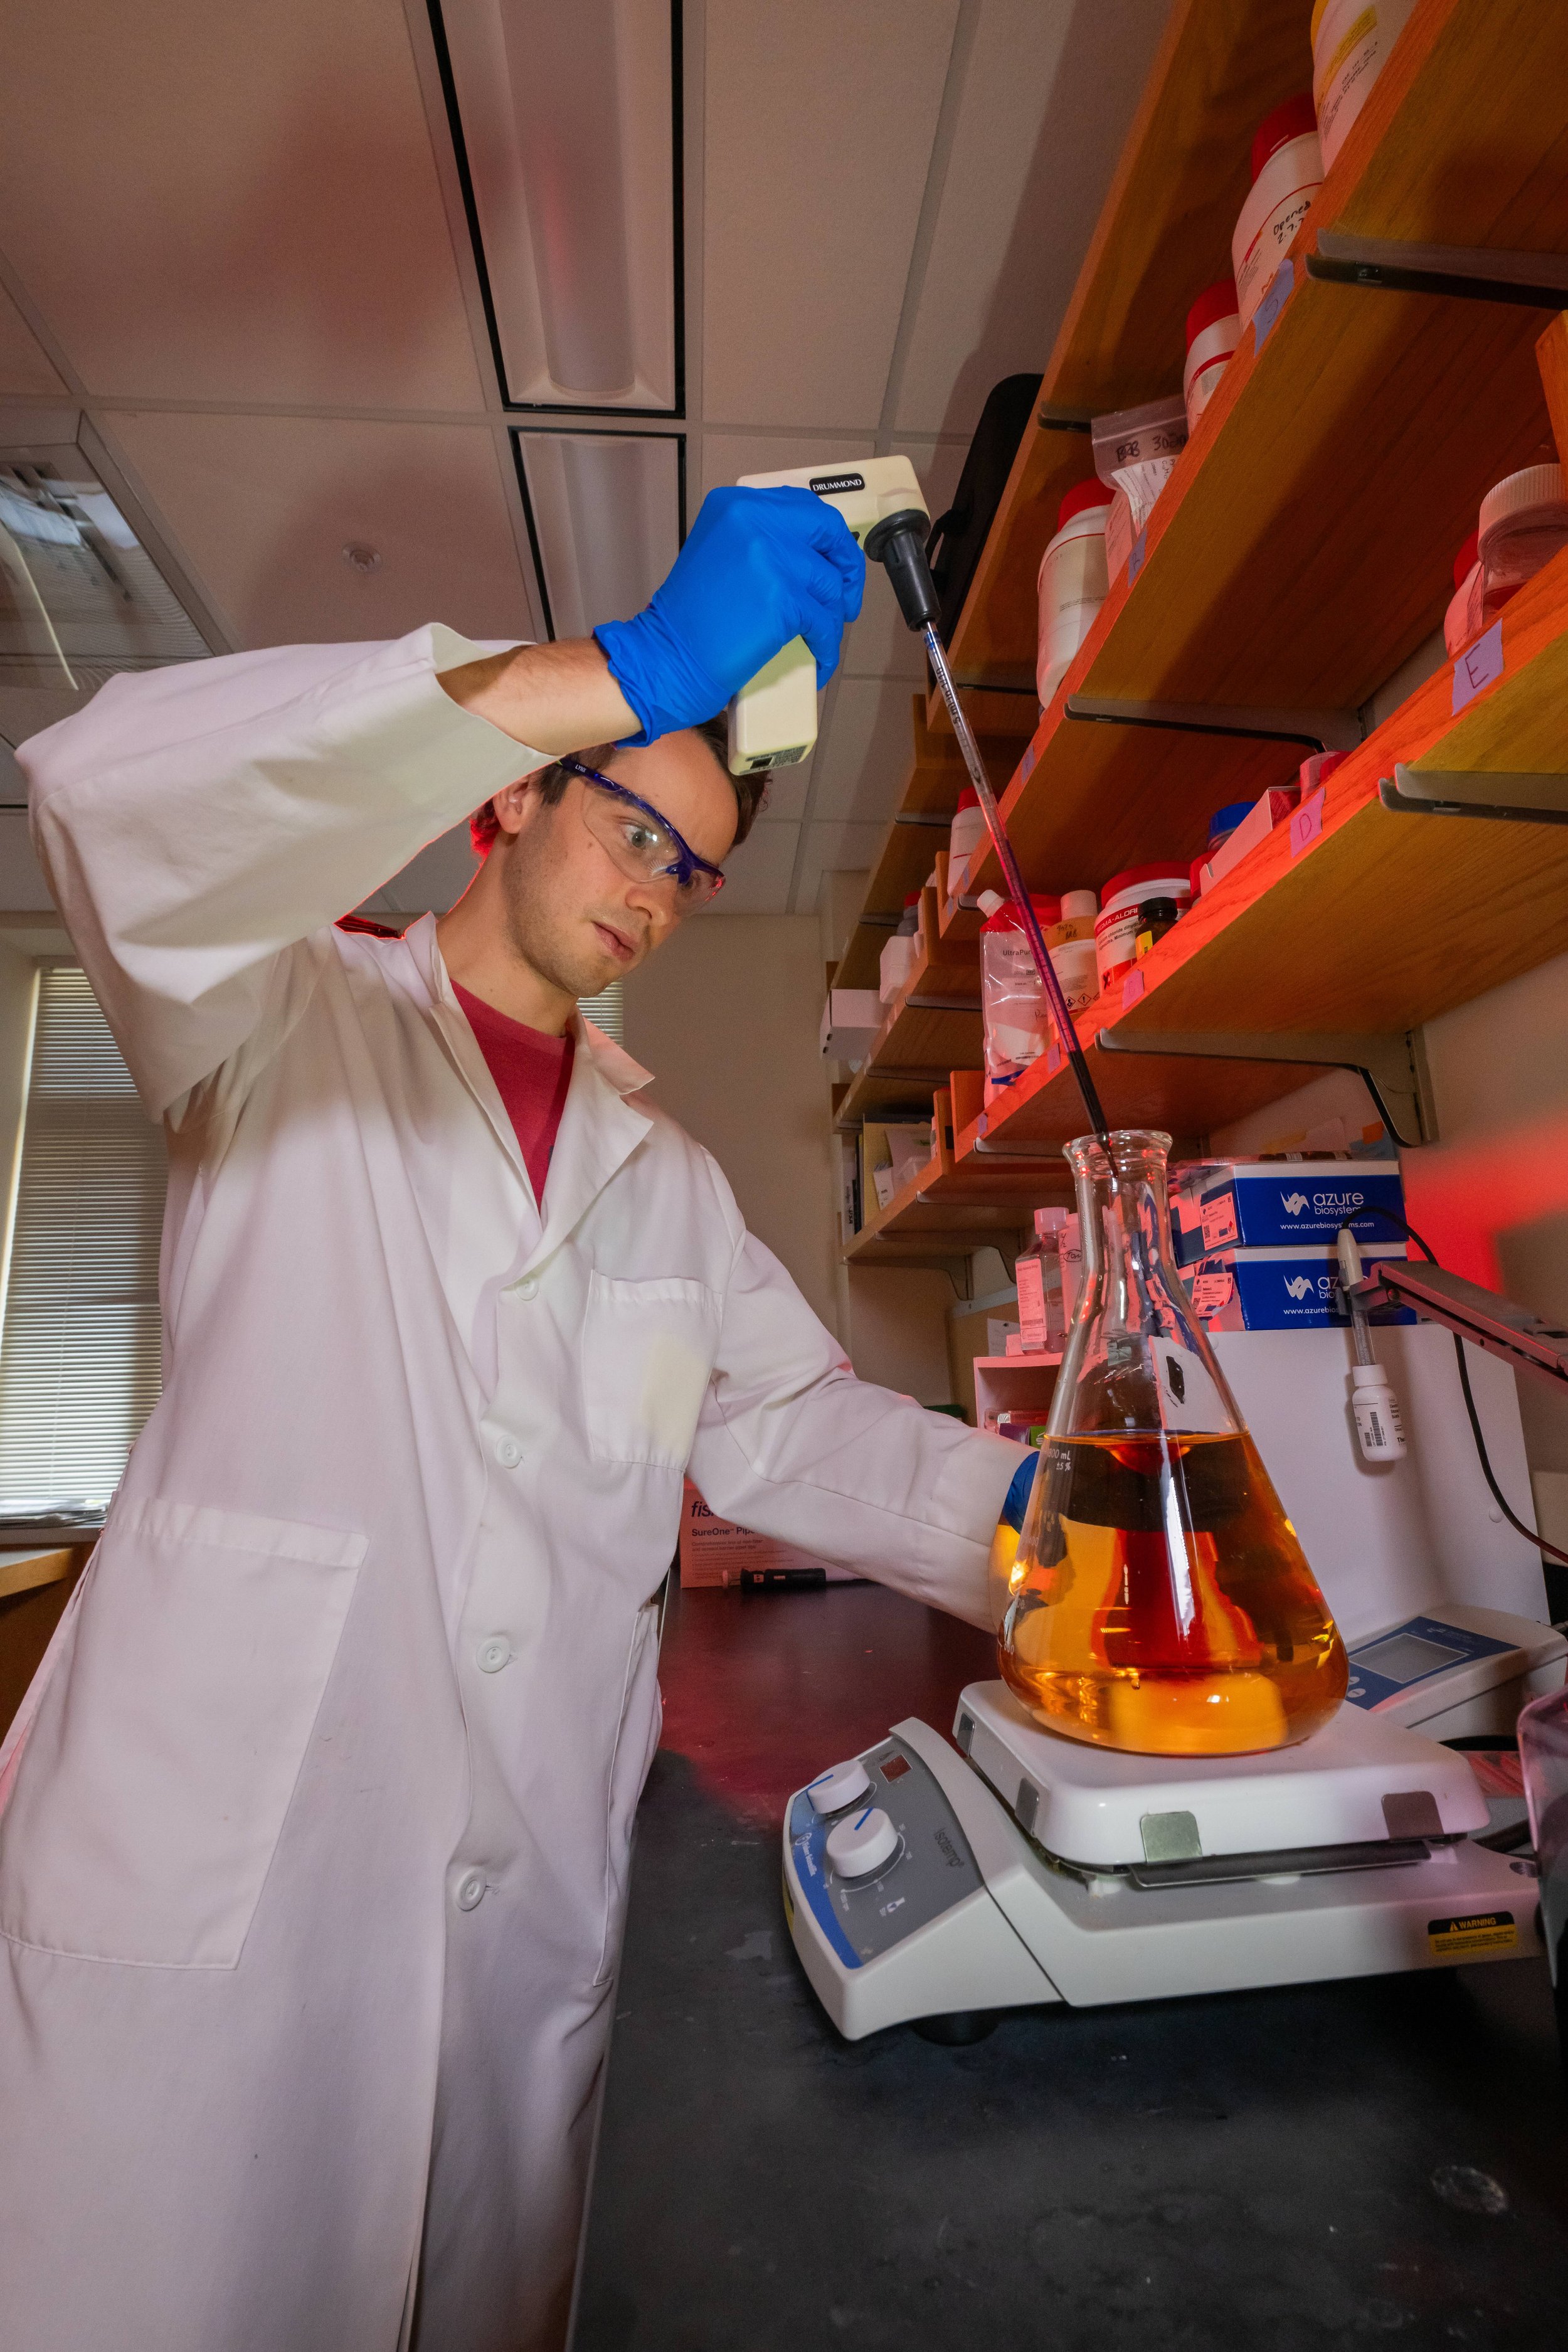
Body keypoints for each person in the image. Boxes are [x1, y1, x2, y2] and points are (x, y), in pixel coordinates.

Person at [0, 488, 1023, 2352]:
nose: (649, 887)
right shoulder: (272, 1015)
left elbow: (795, 1437)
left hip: (516, 1910)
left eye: (688, 868)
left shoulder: (666, 1181)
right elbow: (100, 797)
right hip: (228, 1890)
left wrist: (1058, 1508)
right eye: (625, 820)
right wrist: (622, 668)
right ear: (511, 796)